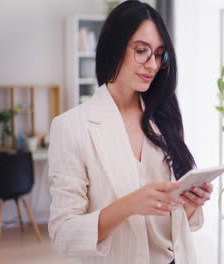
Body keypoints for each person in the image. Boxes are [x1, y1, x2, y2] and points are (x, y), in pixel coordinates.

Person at [47, 1, 212, 263]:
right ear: (114, 47)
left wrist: (190, 203)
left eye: (159, 54)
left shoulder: (165, 117)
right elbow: (64, 235)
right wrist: (129, 205)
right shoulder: (71, 127)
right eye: (141, 51)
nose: (152, 65)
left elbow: (178, 228)